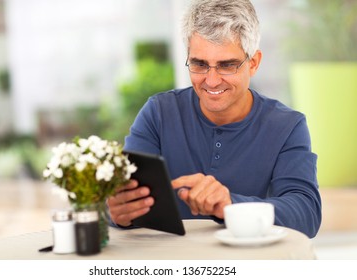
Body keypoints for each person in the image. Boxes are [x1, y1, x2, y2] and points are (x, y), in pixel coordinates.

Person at [107, 0, 321, 238]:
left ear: (253, 63)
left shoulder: (287, 126)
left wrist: (230, 204)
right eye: (199, 64)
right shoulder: (158, 112)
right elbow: (121, 197)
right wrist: (117, 212)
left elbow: (307, 213)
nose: (211, 80)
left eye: (227, 65)